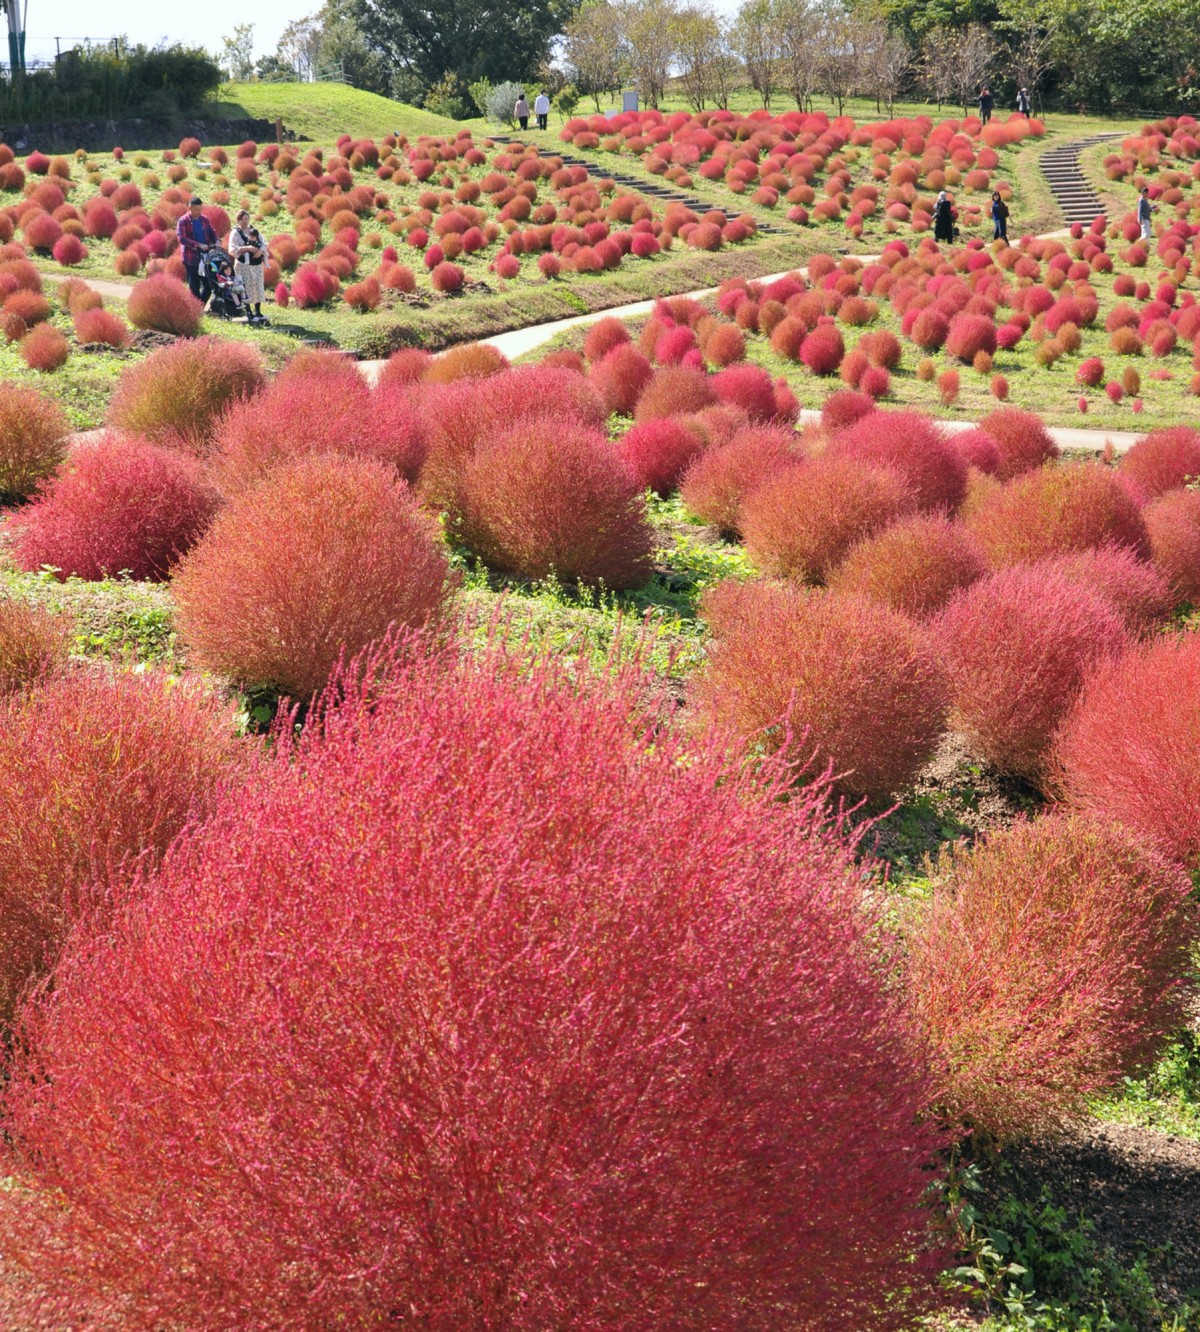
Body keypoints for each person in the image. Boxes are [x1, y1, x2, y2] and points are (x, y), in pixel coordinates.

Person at [176, 196, 218, 307]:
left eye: (200, 209)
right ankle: (196, 309)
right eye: (196, 210)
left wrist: (216, 240)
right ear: (189, 208)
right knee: (194, 286)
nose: (199, 212)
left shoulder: (204, 219)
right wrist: (198, 245)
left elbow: (212, 232)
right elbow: (182, 238)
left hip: (205, 258)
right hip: (191, 259)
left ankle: (199, 307)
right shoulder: (183, 221)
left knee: (208, 285)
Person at [230, 208, 268, 324]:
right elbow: (232, 249)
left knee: (257, 286)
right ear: (238, 220)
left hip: (256, 265)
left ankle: (258, 311)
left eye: (246, 218)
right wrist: (247, 248)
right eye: (242, 219)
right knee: (245, 288)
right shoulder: (235, 232)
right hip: (243, 265)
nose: (245, 221)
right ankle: (248, 311)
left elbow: (264, 243)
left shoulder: (254, 230)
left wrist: (259, 252)